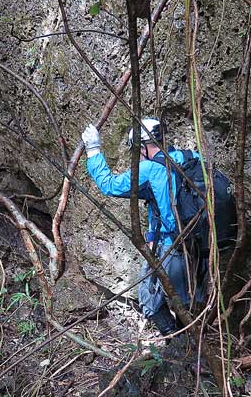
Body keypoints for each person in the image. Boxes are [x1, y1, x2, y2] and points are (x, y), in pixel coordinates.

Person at [81, 118, 204, 337]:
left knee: (149, 296)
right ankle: (191, 345)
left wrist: (93, 149)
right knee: (190, 302)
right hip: (202, 243)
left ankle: (177, 343)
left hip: (172, 245)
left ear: (142, 146)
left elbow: (110, 185)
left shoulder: (149, 169)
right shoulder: (191, 158)